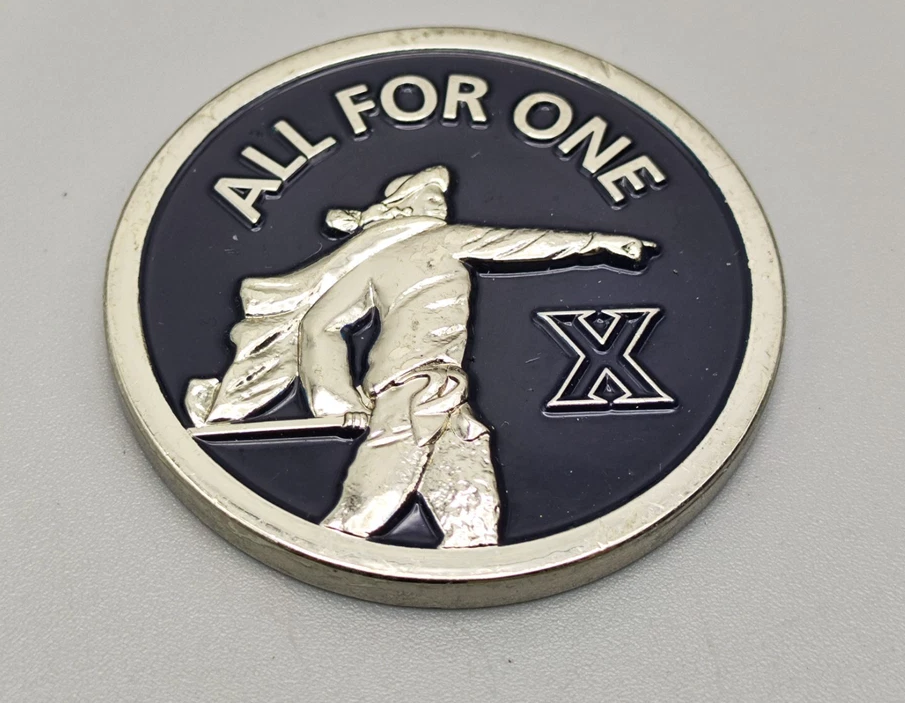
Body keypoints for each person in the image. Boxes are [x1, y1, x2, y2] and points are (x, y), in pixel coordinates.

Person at [187, 165, 656, 548]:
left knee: (467, 487)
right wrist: (598, 242)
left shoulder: (375, 262)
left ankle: (471, 553)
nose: (441, 205)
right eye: (429, 197)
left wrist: (337, 398)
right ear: (404, 209)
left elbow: (318, 328)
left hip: (438, 390)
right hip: (415, 388)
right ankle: (331, 546)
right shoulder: (439, 241)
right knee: (378, 491)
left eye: (440, 198)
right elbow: (516, 243)